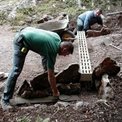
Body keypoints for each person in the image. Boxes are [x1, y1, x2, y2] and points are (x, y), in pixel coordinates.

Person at [1, 27, 74, 111]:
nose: (65, 56)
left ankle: (46, 80)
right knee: (16, 70)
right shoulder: (52, 50)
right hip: (21, 40)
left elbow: (44, 52)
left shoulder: (57, 37)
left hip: (27, 31)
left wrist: (49, 73)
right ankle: (5, 100)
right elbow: (51, 75)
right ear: (64, 49)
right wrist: (55, 91)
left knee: (46, 59)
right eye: (66, 54)